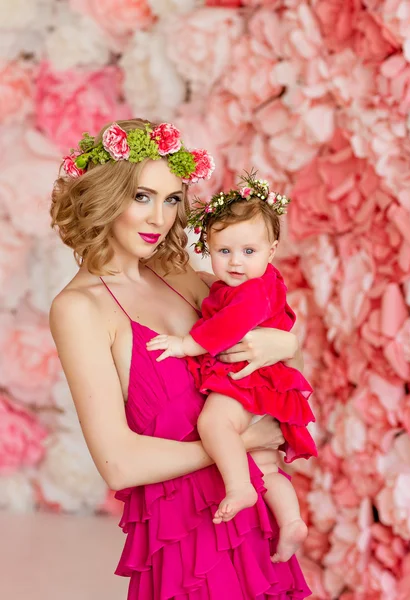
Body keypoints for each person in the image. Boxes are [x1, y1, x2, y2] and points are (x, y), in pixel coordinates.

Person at [49, 118, 311, 599]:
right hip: (186, 537)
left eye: (171, 200)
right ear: (106, 197)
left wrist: (287, 344)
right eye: (142, 197)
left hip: (250, 519)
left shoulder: (180, 277)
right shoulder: (79, 309)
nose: (160, 219)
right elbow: (119, 464)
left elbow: (269, 313)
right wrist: (242, 438)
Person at [147, 173, 316, 563]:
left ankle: (240, 487)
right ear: (208, 249)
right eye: (224, 252)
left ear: (271, 251)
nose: (236, 262)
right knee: (266, 462)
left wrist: (187, 344)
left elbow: (230, 326)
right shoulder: (251, 283)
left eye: (248, 252)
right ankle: (290, 521)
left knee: (212, 424)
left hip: (247, 380)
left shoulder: (252, 292)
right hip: (263, 381)